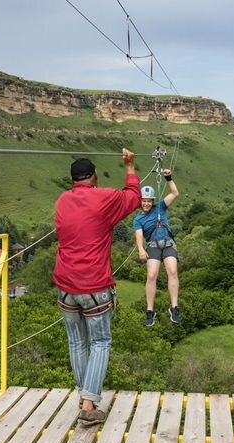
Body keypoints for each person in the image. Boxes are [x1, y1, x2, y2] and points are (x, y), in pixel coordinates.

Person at [53, 149, 140, 427]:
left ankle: (83, 397)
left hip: (65, 284)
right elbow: (134, 197)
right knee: (101, 342)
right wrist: (129, 167)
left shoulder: (62, 201)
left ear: (72, 180)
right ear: (94, 177)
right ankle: (89, 405)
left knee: (76, 342)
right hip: (94, 285)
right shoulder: (104, 198)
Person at [134, 168, 180, 327]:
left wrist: (168, 178)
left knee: (172, 271)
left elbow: (174, 193)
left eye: (149, 200)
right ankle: (150, 310)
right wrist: (140, 249)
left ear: (152, 201)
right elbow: (139, 235)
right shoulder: (138, 219)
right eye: (144, 200)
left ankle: (174, 307)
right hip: (153, 246)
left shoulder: (160, 207)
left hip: (167, 243)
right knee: (152, 275)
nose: (146, 203)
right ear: (140, 201)